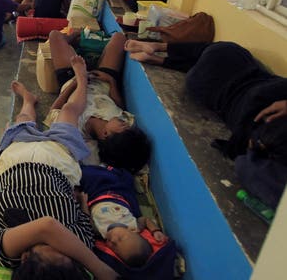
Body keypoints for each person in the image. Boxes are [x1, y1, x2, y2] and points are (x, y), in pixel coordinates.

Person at [0, 72, 118, 280]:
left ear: (25, 258)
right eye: (65, 251)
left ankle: (29, 101)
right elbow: (80, 216)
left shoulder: (4, 252)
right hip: (59, 160)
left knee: (23, 120)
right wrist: (82, 203)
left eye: (48, 247)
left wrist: (101, 270)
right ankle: (81, 80)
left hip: (14, 159)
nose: (57, 241)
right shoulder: (81, 244)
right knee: (69, 111)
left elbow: (47, 226)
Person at [124, 40, 287, 208]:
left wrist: (251, 145)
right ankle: (159, 55)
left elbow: (247, 165)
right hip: (241, 90)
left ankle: (159, 51)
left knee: (215, 54)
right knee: (213, 57)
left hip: (239, 89)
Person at [48, 31, 151, 173]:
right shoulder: (119, 120)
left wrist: (76, 82)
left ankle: (73, 42)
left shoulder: (78, 132)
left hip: (72, 80)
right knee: (120, 38)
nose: (125, 122)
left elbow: (54, 109)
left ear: (105, 135)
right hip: (102, 82)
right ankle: (84, 51)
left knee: (54, 36)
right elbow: (119, 105)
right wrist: (111, 82)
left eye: (123, 126)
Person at [79, 165, 168, 267]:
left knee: (86, 175)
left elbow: (86, 217)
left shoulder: (100, 232)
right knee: (124, 178)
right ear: (134, 232)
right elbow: (145, 219)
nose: (113, 240)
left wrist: (83, 202)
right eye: (121, 238)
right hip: (117, 194)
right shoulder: (134, 226)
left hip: (97, 195)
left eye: (114, 247)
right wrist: (155, 230)